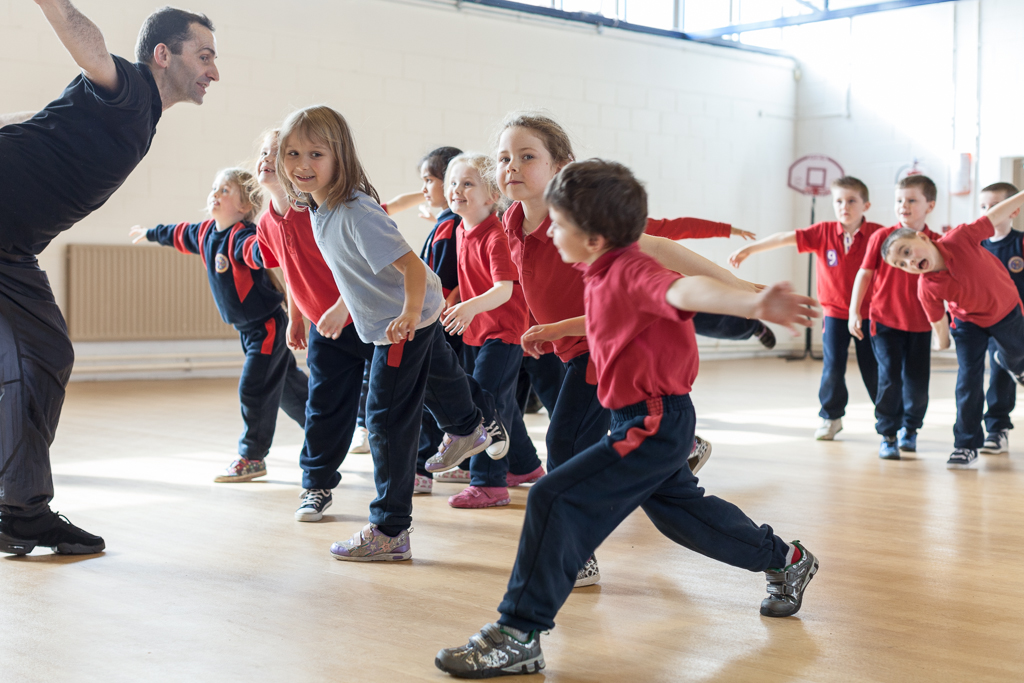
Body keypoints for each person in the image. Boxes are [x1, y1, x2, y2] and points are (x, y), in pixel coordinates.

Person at [435, 160, 820, 679]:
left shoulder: (634, 269)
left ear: (592, 236)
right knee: (684, 517)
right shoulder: (600, 271)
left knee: (553, 495)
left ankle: (518, 633)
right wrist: (552, 330)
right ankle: (787, 559)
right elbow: (605, 317)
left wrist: (751, 302)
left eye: (560, 225)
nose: (551, 232)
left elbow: (684, 292)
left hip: (654, 421)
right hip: (643, 419)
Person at [497, 112, 759, 584]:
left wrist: (739, 287)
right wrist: (543, 328)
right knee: (668, 498)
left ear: (561, 166)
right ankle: (780, 556)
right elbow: (538, 283)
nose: (511, 166)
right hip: (574, 350)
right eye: (504, 158)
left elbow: (662, 247)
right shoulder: (512, 219)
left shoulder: (585, 222)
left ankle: (574, 555)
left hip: (611, 358)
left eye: (526, 156)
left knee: (565, 446)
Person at [0, 3, 219, 556]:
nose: (214, 71)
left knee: (41, 355)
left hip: (11, 248)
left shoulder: (138, 116)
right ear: (162, 55)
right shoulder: (131, 89)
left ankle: (20, 510)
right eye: (205, 55)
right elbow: (91, 48)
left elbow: (40, 120)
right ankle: (21, 512)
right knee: (40, 355)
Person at [277, 105, 506, 562]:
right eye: (293, 153)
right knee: (443, 385)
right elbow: (357, 273)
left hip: (400, 326)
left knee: (384, 421)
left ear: (339, 156)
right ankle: (468, 428)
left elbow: (412, 268)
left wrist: (403, 316)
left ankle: (389, 528)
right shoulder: (318, 209)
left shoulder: (355, 211)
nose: (303, 165)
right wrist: (344, 308)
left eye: (316, 154)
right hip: (402, 318)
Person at [130, 168, 308, 481]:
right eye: (215, 187)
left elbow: (259, 254)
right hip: (248, 330)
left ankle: (252, 457)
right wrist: (149, 233)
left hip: (267, 327)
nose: (215, 192)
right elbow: (176, 232)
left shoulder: (242, 236)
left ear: (243, 207)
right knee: (286, 388)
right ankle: (332, 429)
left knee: (255, 388)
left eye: (225, 190)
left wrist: (273, 245)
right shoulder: (204, 233)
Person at [254, 129, 375, 521]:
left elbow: (361, 267)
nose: (267, 159)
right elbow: (291, 272)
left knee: (399, 400)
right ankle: (316, 486)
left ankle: (440, 450)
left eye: (279, 152)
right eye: (264, 152)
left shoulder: (323, 210)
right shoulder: (266, 222)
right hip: (327, 328)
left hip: (370, 318)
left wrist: (345, 306)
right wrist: (296, 315)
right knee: (324, 407)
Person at [729, 176, 882, 440]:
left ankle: (888, 420)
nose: (844, 206)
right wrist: (750, 249)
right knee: (833, 367)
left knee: (873, 367)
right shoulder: (823, 232)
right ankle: (831, 417)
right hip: (834, 314)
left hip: (868, 315)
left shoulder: (878, 234)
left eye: (851, 201)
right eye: (838, 201)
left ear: (866, 205)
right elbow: (784, 238)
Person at [881, 188, 1024, 468]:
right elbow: (937, 319)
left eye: (907, 251)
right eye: (901, 264)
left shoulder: (960, 237)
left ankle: (1011, 362)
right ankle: (966, 444)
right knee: (968, 380)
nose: (909, 262)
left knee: (1017, 355)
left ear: (923, 237)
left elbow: (995, 215)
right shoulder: (926, 286)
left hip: (1006, 311)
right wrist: (942, 341)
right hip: (968, 323)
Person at [434, 153, 545, 508]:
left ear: (492, 195)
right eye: (453, 183)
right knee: (503, 404)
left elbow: (504, 289)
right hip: (477, 330)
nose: (457, 190)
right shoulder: (459, 228)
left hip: (503, 332)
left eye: (468, 183)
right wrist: (453, 299)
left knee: (483, 404)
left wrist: (467, 306)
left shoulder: (494, 235)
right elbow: (470, 279)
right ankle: (525, 467)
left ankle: (489, 484)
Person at [848, 176, 941, 460]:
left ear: (930, 205)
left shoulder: (937, 242)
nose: (904, 205)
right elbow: (864, 274)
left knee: (916, 384)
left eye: (912, 200)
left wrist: (943, 327)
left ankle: (910, 430)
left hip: (921, 325)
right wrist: (854, 311)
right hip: (884, 323)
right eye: (900, 200)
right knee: (889, 379)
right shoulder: (881, 237)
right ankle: (888, 433)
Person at [977, 182, 1024, 454]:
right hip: (979, 320)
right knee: (972, 377)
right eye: (983, 207)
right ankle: (971, 432)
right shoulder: (976, 245)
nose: (987, 212)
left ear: (1013, 210)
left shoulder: (1019, 242)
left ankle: (996, 429)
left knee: (999, 373)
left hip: (1011, 321)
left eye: (994, 207)